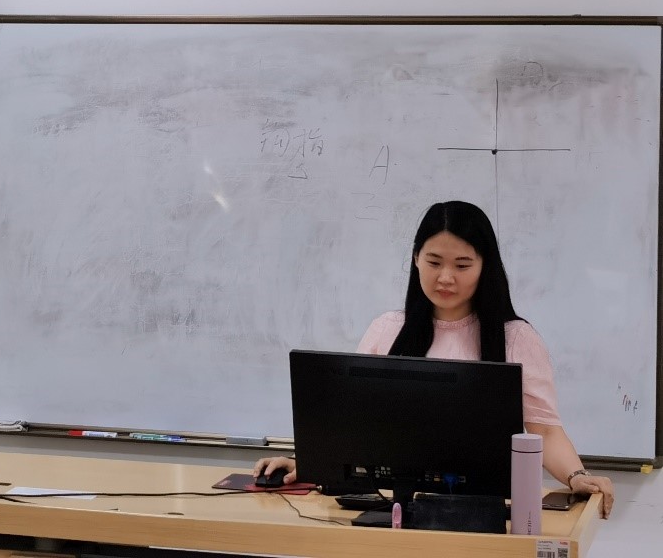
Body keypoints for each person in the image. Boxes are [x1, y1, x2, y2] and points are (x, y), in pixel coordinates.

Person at [254, 200, 615, 518]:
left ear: (484, 266)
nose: (445, 277)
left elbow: (544, 430)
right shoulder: (386, 330)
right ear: (416, 259)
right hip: (391, 511)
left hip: (482, 517)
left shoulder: (516, 338)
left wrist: (577, 476)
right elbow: (355, 425)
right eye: (434, 261)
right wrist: (306, 463)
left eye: (462, 265)